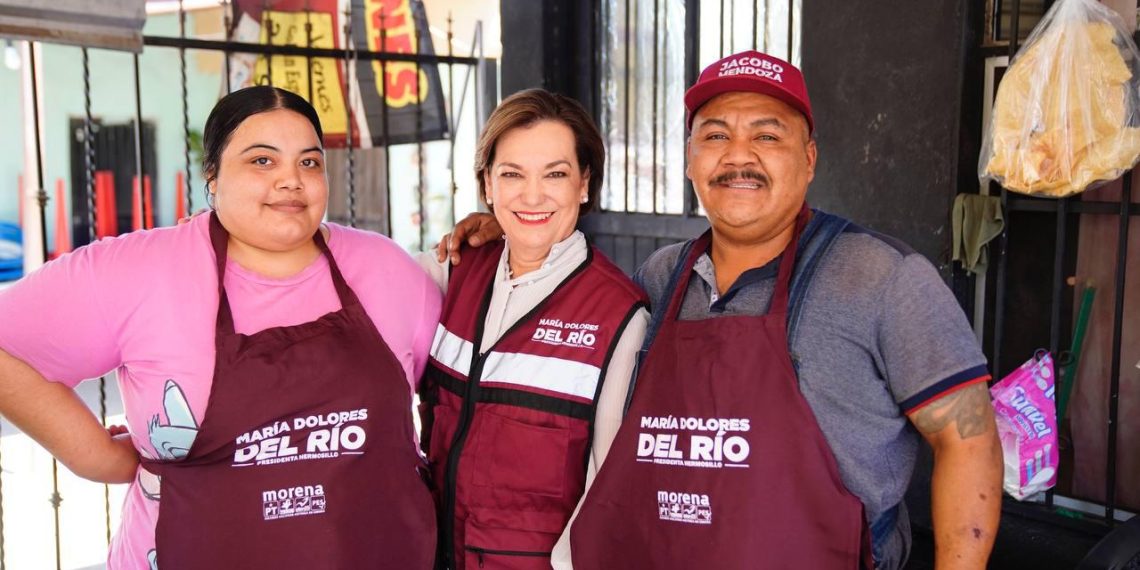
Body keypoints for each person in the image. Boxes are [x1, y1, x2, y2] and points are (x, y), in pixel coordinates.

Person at [439, 51, 1003, 569]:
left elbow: (969, 439)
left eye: (767, 135)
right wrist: (511, 230)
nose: (738, 155)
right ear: (690, 160)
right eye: (715, 135)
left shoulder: (880, 278)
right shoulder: (661, 278)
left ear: (809, 159)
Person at [0, 86, 440, 569]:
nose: (291, 180)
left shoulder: (387, 270)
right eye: (262, 161)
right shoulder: (139, 271)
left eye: (309, 162)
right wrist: (94, 456)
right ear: (212, 176)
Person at [416, 88, 648, 570]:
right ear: (487, 184)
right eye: (512, 174)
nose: (533, 195)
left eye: (555, 174)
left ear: (584, 183)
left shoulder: (618, 314)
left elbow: (607, 490)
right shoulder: (452, 272)